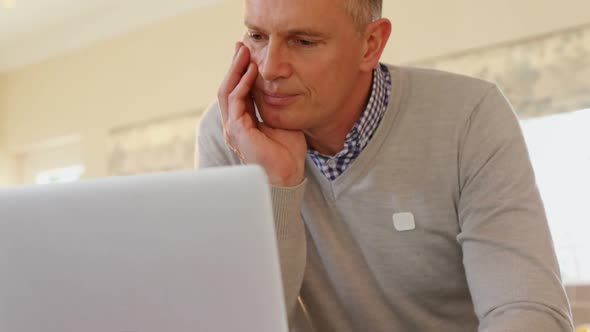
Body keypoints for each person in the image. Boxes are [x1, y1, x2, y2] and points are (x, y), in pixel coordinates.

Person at [197, 0, 574, 330]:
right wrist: (277, 184)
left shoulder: (469, 116)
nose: (268, 68)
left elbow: (529, 312)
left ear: (370, 44)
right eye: (257, 36)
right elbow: (234, 322)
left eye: (303, 41)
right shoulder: (230, 131)